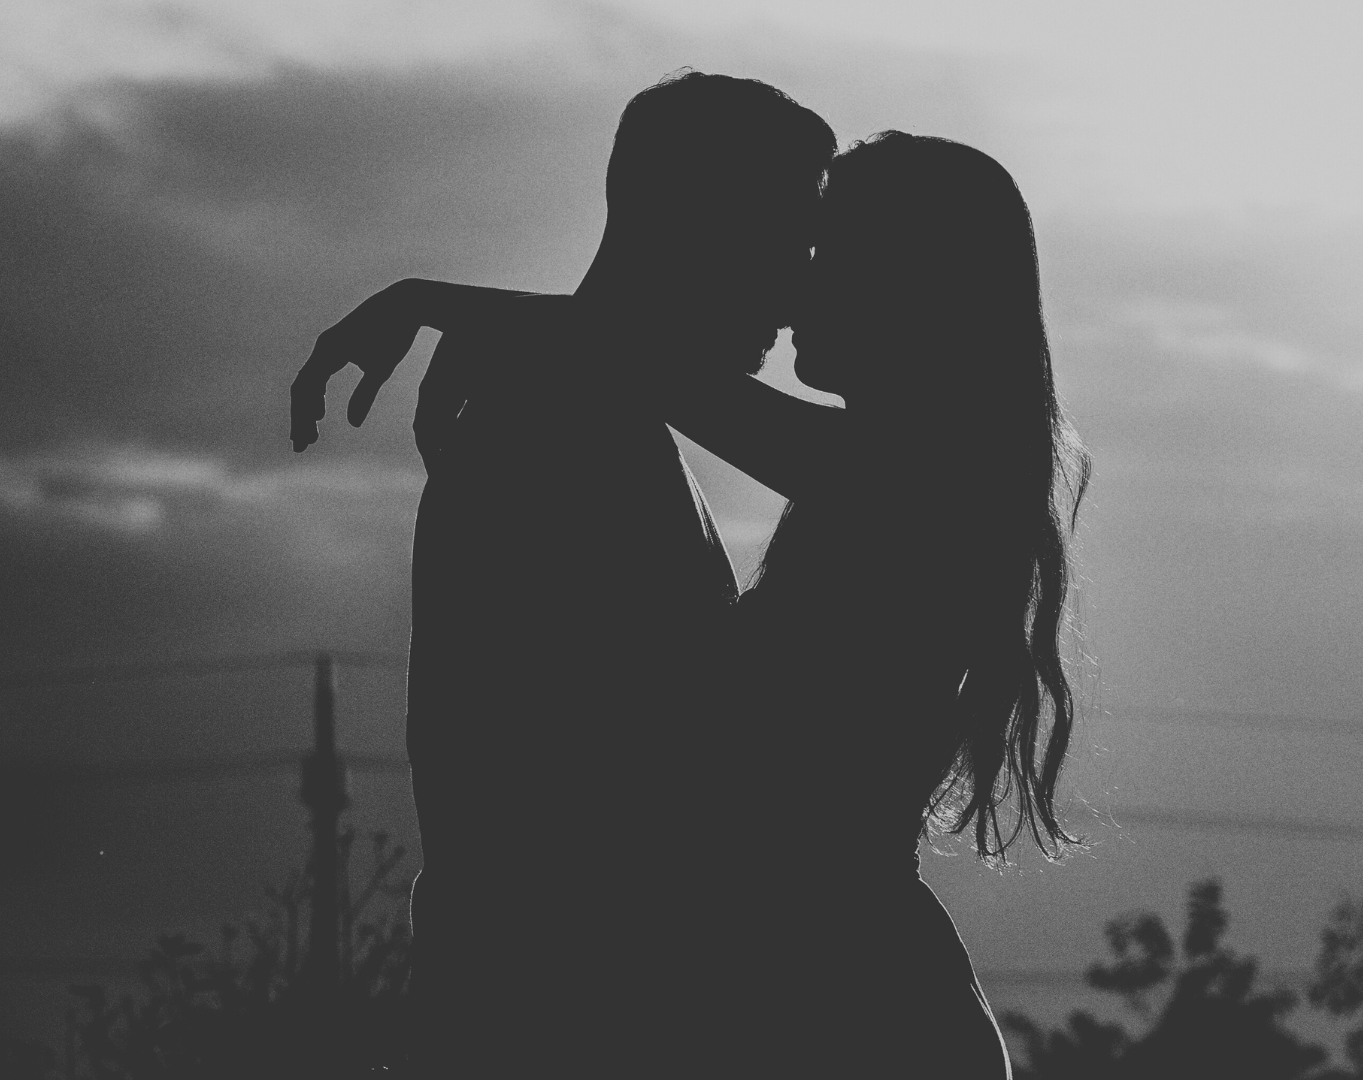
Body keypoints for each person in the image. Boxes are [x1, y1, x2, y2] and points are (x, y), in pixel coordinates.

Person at [335, 130, 1087, 1077]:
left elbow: (653, 367)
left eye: (831, 256)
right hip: (842, 1008)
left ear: (911, 286)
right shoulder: (907, 478)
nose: (797, 289)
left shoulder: (916, 479)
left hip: (860, 1018)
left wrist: (434, 301)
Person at [291, 72, 835, 1077]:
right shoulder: (560, 423)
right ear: (699, 226)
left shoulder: (579, 400)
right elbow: (586, 796)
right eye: (786, 239)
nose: (801, 285)